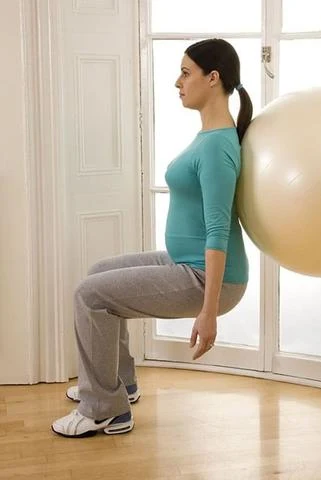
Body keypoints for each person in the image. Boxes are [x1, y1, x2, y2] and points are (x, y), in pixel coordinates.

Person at [51, 38, 252, 438]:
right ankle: (118, 384)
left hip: (207, 277)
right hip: (185, 261)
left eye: (186, 73)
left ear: (213, 78)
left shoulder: (217, 147)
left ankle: (104, 409)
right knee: (98, 273)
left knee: (89, 295)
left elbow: (218, 232)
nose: (178, 82)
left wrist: (209, 312)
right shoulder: (210, 135)